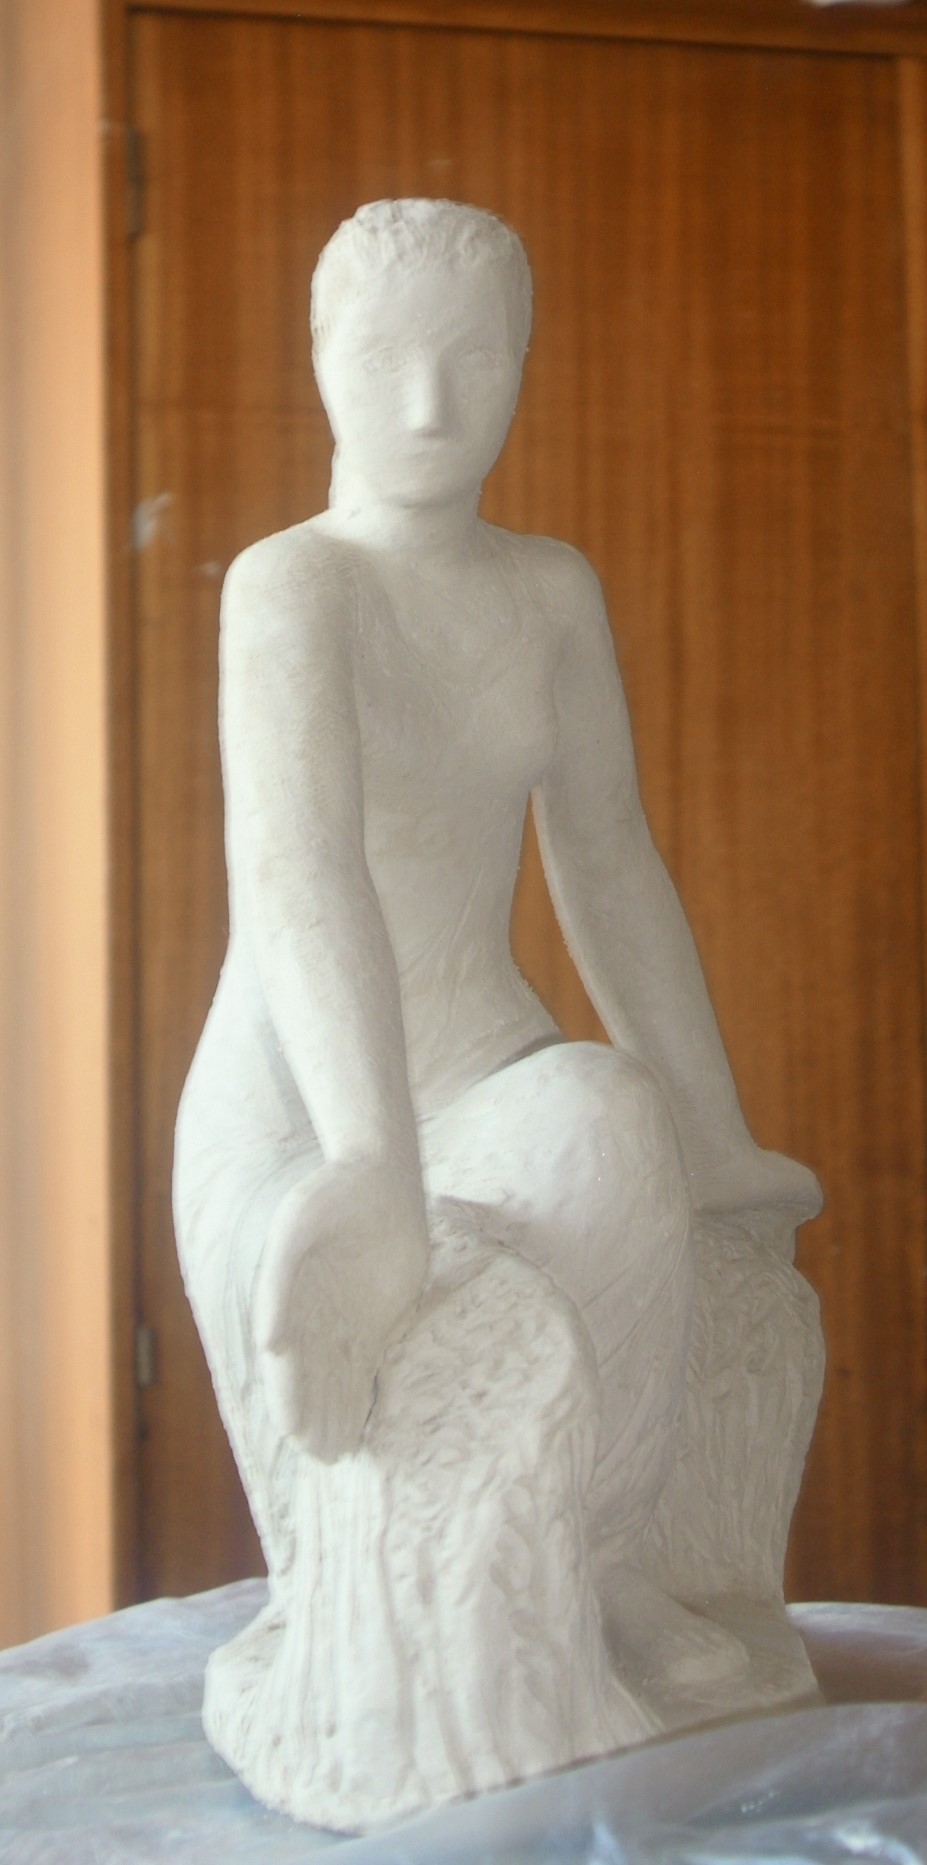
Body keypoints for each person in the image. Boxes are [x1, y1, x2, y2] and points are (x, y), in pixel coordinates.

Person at [174, 198, 820, 1684]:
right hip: (306, 1104)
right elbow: (299, 875)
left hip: (481, 1065)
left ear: (524, 362)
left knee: (616, 1114)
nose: (428, 404)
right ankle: (390, 1631)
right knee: (410, 1255)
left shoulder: (548, 592)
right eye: (384, 357)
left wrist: (714, 1135)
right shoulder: (295, 586)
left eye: (474, 358)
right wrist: (370, 1165)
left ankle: (602, 1567)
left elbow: (612, 861)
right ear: (319, 359)